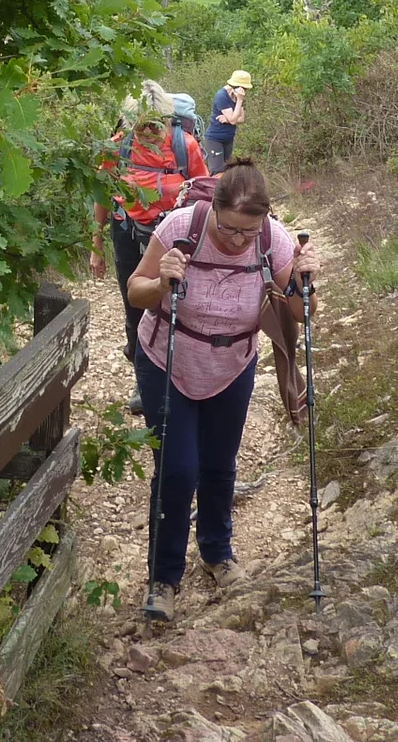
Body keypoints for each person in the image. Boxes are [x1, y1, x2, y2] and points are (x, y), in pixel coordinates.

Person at [124, 159, 319, 620]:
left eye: (247, 233)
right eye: (229, 229)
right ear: (213, 209)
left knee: (219, 464)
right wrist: (162, 282)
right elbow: (136, 291)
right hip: (167, 361)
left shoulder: (272, 238)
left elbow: (296, 312)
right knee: (177, 469)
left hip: (233, 364)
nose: (237, 241)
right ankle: (164, 577)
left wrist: (307, 281)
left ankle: (217, 552)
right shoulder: (180, 227)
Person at [90, 80, 208, 412]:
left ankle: (182, 373)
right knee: (135, 303)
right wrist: (96, 244)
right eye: (142, 127)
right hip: (127, 231)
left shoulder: (186, 147)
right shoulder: (117, 148)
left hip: (173, 236)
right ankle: (144, 380)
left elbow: (203, 192)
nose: (150, 134)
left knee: (177, 302)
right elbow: (102, 192)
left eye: (157, 126)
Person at [204, 69, 252, 174]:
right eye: (242, 88)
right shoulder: (221, 96)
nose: (243, 91)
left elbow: (241, 118)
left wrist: (228, 119)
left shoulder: (239, 97)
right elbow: (234, 120)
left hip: (228, 138)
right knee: (217, 171)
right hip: (215, 138)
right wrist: (239, 102)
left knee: (227, 170)